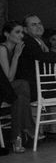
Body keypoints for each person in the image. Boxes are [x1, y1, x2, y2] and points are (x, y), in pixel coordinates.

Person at [0, 21, 35, 153]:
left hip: (9, 90)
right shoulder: (2, 49)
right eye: (17, 32)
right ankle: (28, 127)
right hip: (2, 89)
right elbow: (9, 78)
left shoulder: (15, 49)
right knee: (22, 84)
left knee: (19, 96)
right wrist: (16, 56)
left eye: (22, 32)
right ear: (6, 34)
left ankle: (17, 139)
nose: (21, 35)